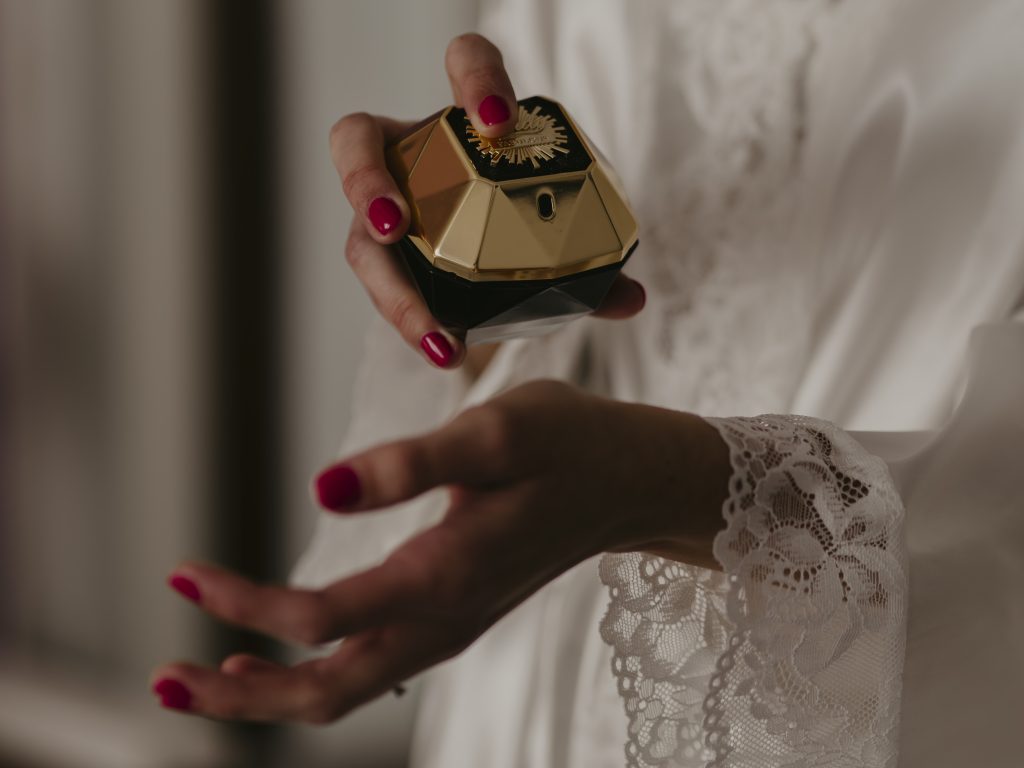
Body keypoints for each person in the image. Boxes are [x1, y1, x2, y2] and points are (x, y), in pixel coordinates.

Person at [152, 2, 1024, 766]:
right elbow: (571, 304)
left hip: (864, 686)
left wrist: (692, 488)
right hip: (530, 676)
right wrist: (449, 245)